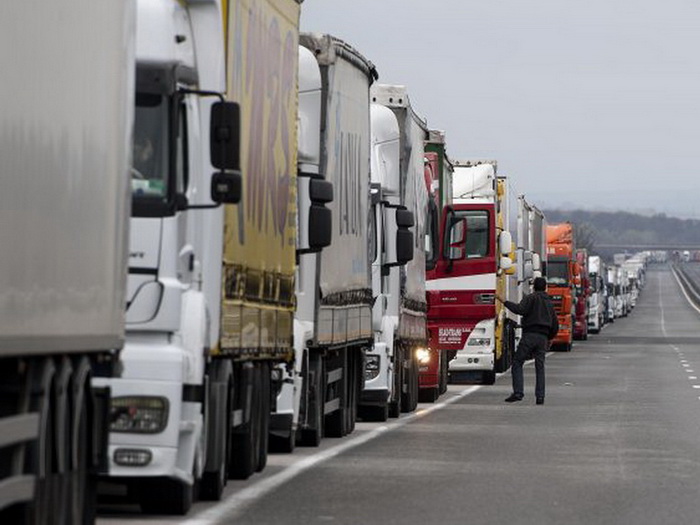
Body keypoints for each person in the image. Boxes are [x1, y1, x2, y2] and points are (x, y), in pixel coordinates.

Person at [496, 276, 558, 405]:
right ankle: (540, 397)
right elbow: (555, 324)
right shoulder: (549, 303)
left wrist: (504, 301)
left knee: (518, 362)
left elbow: (520, 310)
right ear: (545, 287)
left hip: (530, 335)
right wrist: (550, 338)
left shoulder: (531, 298)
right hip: (543, 338)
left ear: (534, 287)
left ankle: (518, 393)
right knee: (540, 367)